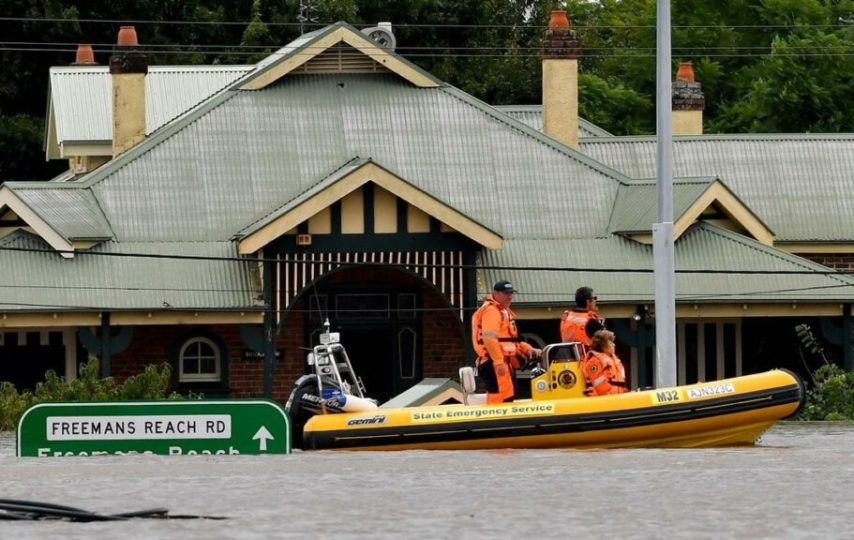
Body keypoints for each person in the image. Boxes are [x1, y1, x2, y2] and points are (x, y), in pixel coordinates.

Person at [472, 280, 542, 404]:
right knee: (500, 398)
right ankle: (495, 422)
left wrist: (526, 348)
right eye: (506, 293)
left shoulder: (502, 311)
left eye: (511, 293)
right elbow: (489, 339)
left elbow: (509, 340)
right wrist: (498, 362)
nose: (509, 296)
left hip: (500, 361)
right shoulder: (492, 311)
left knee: (507, 396)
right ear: (496, 294)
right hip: (494, 362)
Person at [581, 330, 628, 396]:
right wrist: (609, 397)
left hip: (617, 398)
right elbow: (599, 385)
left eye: (613, 342)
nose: (613, 345)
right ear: (602, 345)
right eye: (610, 343)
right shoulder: (594, 362)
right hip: (602, 400)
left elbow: (621, 382)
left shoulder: (615, 361)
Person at [559, 286, 605, 353]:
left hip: (567, 359)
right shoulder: (591, 322)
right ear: (588, 302)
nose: (596, 301)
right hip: (585, 360)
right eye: (594, 298)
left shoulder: (566, 317)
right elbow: (607, 344)